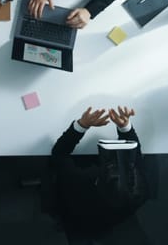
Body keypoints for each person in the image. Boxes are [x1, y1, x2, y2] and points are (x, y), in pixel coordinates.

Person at [45, 105, 149, 245]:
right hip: (113, 221)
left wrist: (81, 125)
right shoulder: (137, 193)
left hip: (75, 215)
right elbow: (135, 156)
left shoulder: (77, 182)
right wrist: (125, 128)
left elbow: (59, 154)